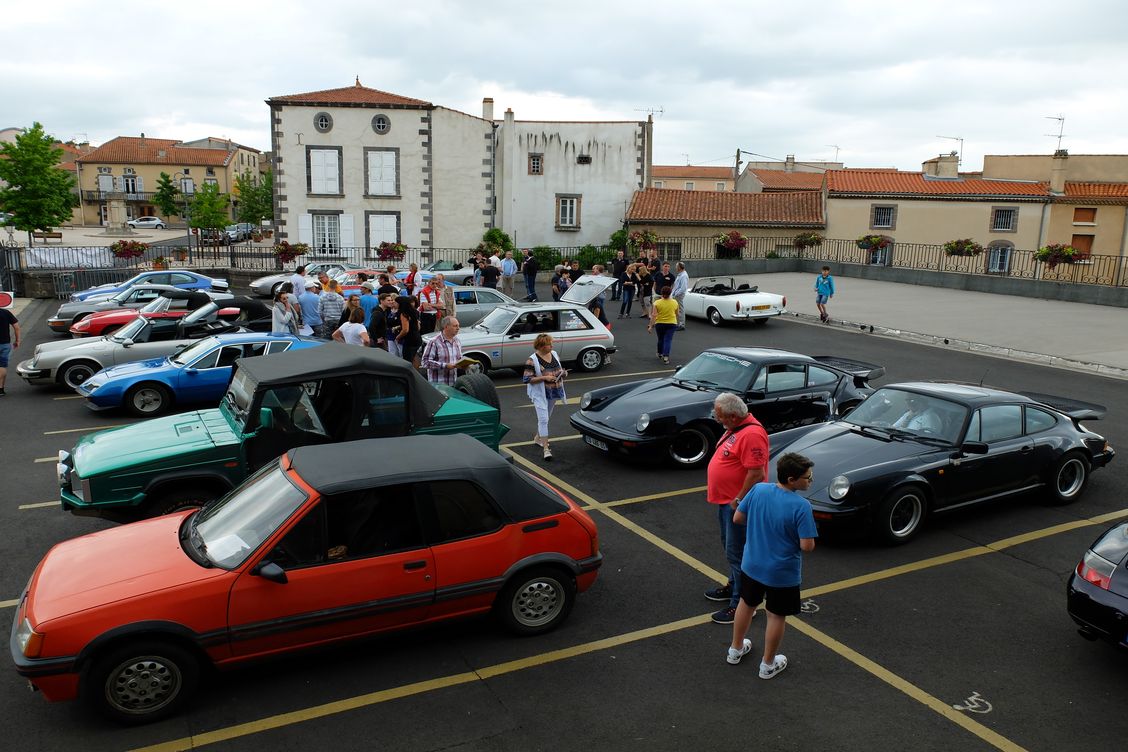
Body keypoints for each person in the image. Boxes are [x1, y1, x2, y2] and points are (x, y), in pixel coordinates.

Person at [727, 453, 818, 679]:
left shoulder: (759, 490)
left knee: (746, 604)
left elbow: (738, 518)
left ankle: (735, 649)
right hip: (781, 573)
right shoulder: (802, 506)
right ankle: (768, 664)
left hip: (752, 564)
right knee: (776, 616)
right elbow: (807, 546)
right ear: (791, 479)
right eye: (807, 478)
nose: (810, 481)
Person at [704, 393, 769, 625]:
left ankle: (741, 604)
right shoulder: (737, 427)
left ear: (733, 416)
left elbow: (757, 473)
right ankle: (734, 585)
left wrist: (739, 500)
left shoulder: (751, 434)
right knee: (730, 548)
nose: (717, 419)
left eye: (720, 416)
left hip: (739, 505)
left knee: (738, 553)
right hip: (727, 502)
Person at [523, 333, 567, 461]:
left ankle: (538, 438)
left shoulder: (554, 354)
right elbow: (527, 379)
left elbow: (558, 370)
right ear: (541, 346)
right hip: (540, 394)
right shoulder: (532, 360)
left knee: (546, 417)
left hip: (554, 391)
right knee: (543, 419)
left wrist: (563, 373)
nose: (552, 346)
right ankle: (546, 449)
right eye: (549, 344)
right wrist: (544, 378)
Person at [421, 315, 464, 385]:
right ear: (446, 327)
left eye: (458, 326)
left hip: (453, 383)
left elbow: (459, 358)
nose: (458, 328)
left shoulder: (457, 341)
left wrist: (465, 364)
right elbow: (425, 362)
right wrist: (445, 365)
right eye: (455, 326)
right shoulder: (434, 342)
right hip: (438, 385)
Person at [648, 285, 678, 364]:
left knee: (660, 339)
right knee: (668, 340)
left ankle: (659, 353)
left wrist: (651, 326)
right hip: (671, 323)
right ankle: (666, 357)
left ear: (661, 293)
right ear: (670, 293)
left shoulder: (657, 303)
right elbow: (676, 313)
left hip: (660, 323)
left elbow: (654, 315)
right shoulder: (675, 302)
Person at [0, 302, 20, 397]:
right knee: (2, 366)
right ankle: (1, 389)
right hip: (4, 344)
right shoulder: (5, 312)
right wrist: (17, 340)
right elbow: (16, 327)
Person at [395, 295, 423, 365]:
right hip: (417, 337)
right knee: (414, 358)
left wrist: (398, 337)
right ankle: (416, 373)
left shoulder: (403, 314)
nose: (394, 304)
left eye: (396, 302)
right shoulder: (414, 311)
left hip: (410, 340)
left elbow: (405, 330)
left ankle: (410, 374)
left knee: (407, 360)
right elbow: (418, 326)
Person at [672, 261, 690, 330]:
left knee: (680, 310)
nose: (676, 268)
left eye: (677, 266)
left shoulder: (683, 276)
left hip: (679, 295)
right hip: (677, 295)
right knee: (677, 309)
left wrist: (675, 294)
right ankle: (677, 323)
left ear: (679, 267)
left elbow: (683, 288)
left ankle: (681, 324)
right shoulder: (681, 274)